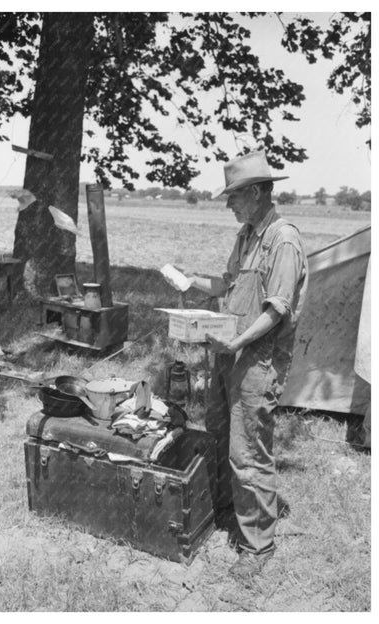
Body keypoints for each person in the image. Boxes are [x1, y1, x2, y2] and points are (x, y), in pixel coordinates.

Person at [183, 150, 308, 579]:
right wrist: (192, 283)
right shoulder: (246, 234)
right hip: (229, 353)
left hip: (258, 361)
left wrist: (234, 341)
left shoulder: (283, 239)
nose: (228, 204)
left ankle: (258, 546)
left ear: (255, 193)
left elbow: (276, 311)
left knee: (248, 452)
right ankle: (225, 514)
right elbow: (228, 283)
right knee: (218, 437)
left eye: (234, 195)